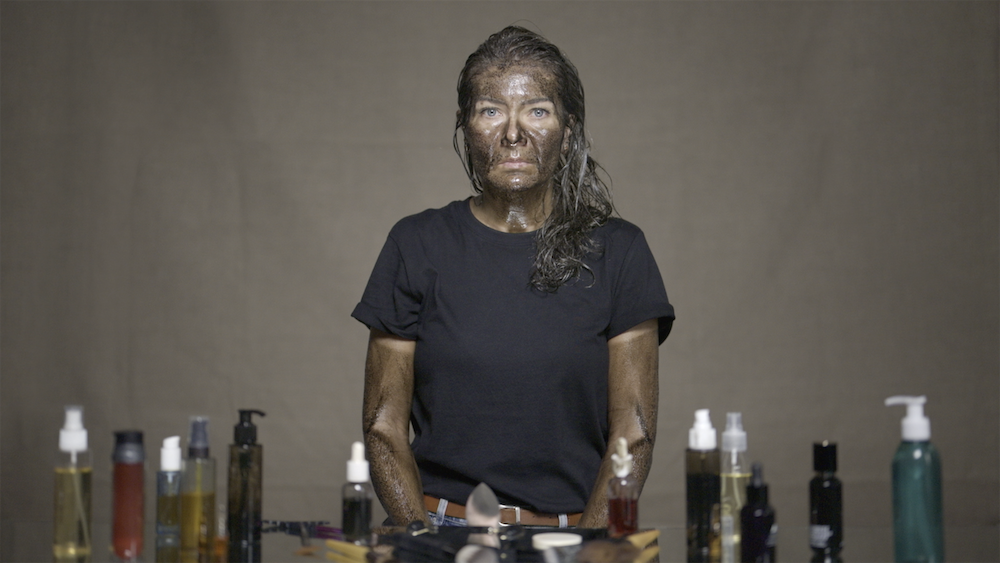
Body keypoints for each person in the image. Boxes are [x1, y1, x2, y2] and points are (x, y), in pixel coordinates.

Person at [351, 25, 674, 529]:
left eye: (537, 111)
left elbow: (633, 435)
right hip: (439, 530)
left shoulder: (620, 251)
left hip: (572, 534)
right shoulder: (416, 244)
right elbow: (383, 426)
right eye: (490, 111)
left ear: (568, 132)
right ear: (466, 128)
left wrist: (589, 549)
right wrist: (421, 543)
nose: (513, 133)